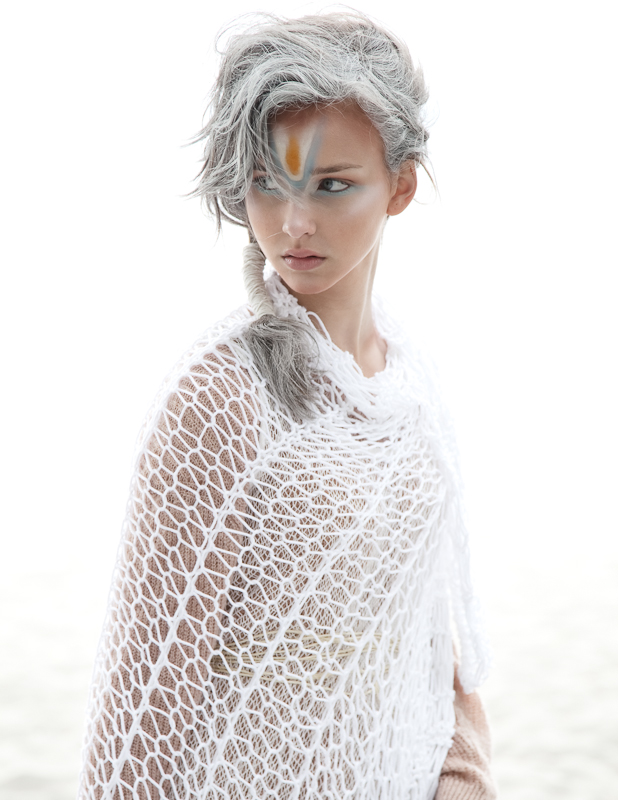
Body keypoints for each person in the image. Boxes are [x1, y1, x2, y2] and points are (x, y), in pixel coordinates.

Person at [78, 11, 496, 800]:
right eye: (268, 183)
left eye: (332, 185)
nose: (294, 223)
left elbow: (435, 663)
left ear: (401, 185)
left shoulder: (412, 392)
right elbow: (135, 737)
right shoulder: (217, 400)